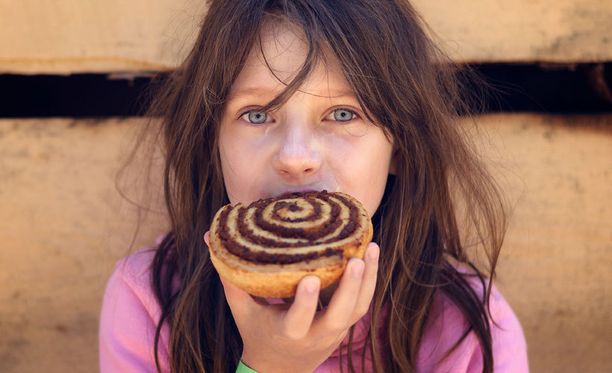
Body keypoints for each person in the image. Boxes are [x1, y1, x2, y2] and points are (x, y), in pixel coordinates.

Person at [99, 1, 528, 372]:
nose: (296, 158)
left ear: (400, 146)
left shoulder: (470, 331)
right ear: (214, 142)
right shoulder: (149, 303)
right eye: (257, 114)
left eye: (343, 114)